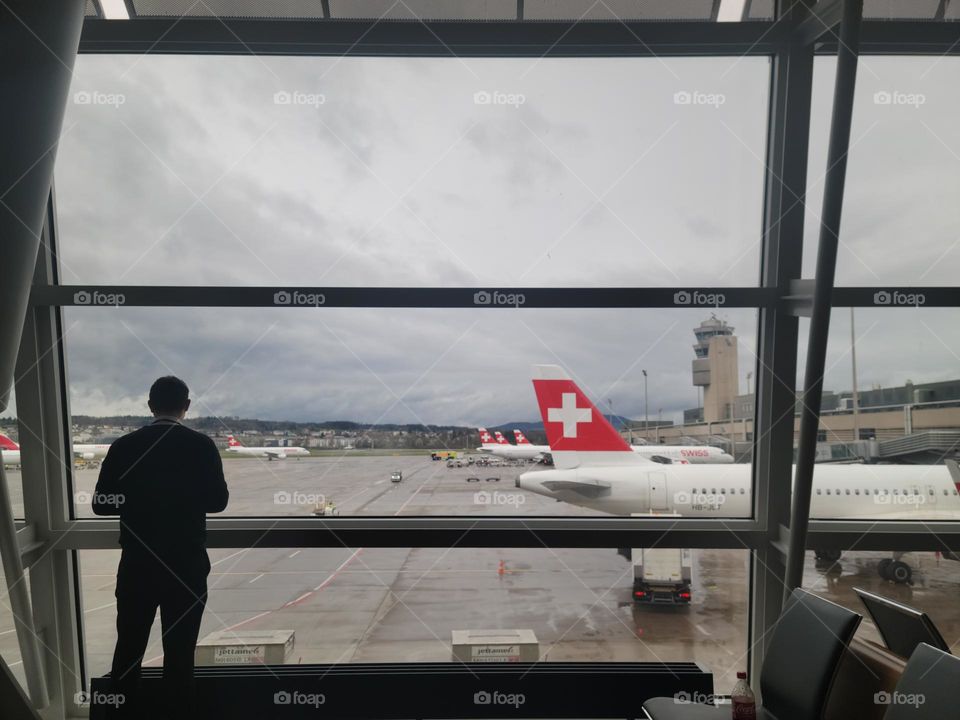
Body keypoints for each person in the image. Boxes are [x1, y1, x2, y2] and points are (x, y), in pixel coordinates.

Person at [92, 376, 229, 718]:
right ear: (186, 406)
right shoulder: (201, 446)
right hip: (186, 564)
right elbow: (218, 502)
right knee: (180, 654)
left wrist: (141, 500)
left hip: (139, 563)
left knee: (128, 650)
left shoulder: (124, 446)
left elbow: (102, 504)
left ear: (150, 405)